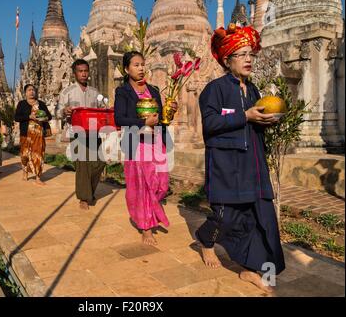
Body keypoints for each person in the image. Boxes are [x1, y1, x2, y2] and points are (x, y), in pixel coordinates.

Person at [195, 24, 285, 293]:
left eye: (250, 54)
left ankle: (250, 269)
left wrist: (267, 121)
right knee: (226, 218)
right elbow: (210, 124)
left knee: (261, 221)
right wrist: (244, 116)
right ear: (226, 60)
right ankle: (205, 240)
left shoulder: (255, 90)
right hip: (227, 167)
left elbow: (253, 124)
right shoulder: (214, 90)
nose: (248, 59)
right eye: (241, 54)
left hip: (254, 167)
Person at [114, 51, 177, 246]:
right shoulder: (123, 92)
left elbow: (161, 119)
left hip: (156, 142)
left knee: (161, 184)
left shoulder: (154, 90)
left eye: (142, 64)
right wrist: (143, 122)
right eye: (136, 65)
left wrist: (170, 112)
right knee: (142, 186)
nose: (141, 68)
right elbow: (120, 119)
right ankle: (146, 226)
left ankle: (150, 212)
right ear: (127, 69)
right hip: (136, 143)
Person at [57, 59, 106, 210]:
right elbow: (57, 112)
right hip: (77, 132)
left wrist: (106, 107)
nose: (84, 74)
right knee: (83, 164)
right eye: (80, 71)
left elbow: (103, 106)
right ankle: (84, 198)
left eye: (86, 71)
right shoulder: (67, 92)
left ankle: (88, 191)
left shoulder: (95, 92)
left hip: (94, 132)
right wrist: (64, 111)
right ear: (74, 73)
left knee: (100, 161)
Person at [15, 84, 52, 185]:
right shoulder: (22, 104)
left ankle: (38, 177)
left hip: (38, 133)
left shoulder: (41, 104)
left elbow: (49, 116)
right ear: (25, 93)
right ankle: (25, 171)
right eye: (29, 90)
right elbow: (17, 118)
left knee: (38, 154)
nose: (31, 92)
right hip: (25, 134)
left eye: (33, 90)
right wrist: (29, 116)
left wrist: (44, 118)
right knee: (24, 155)